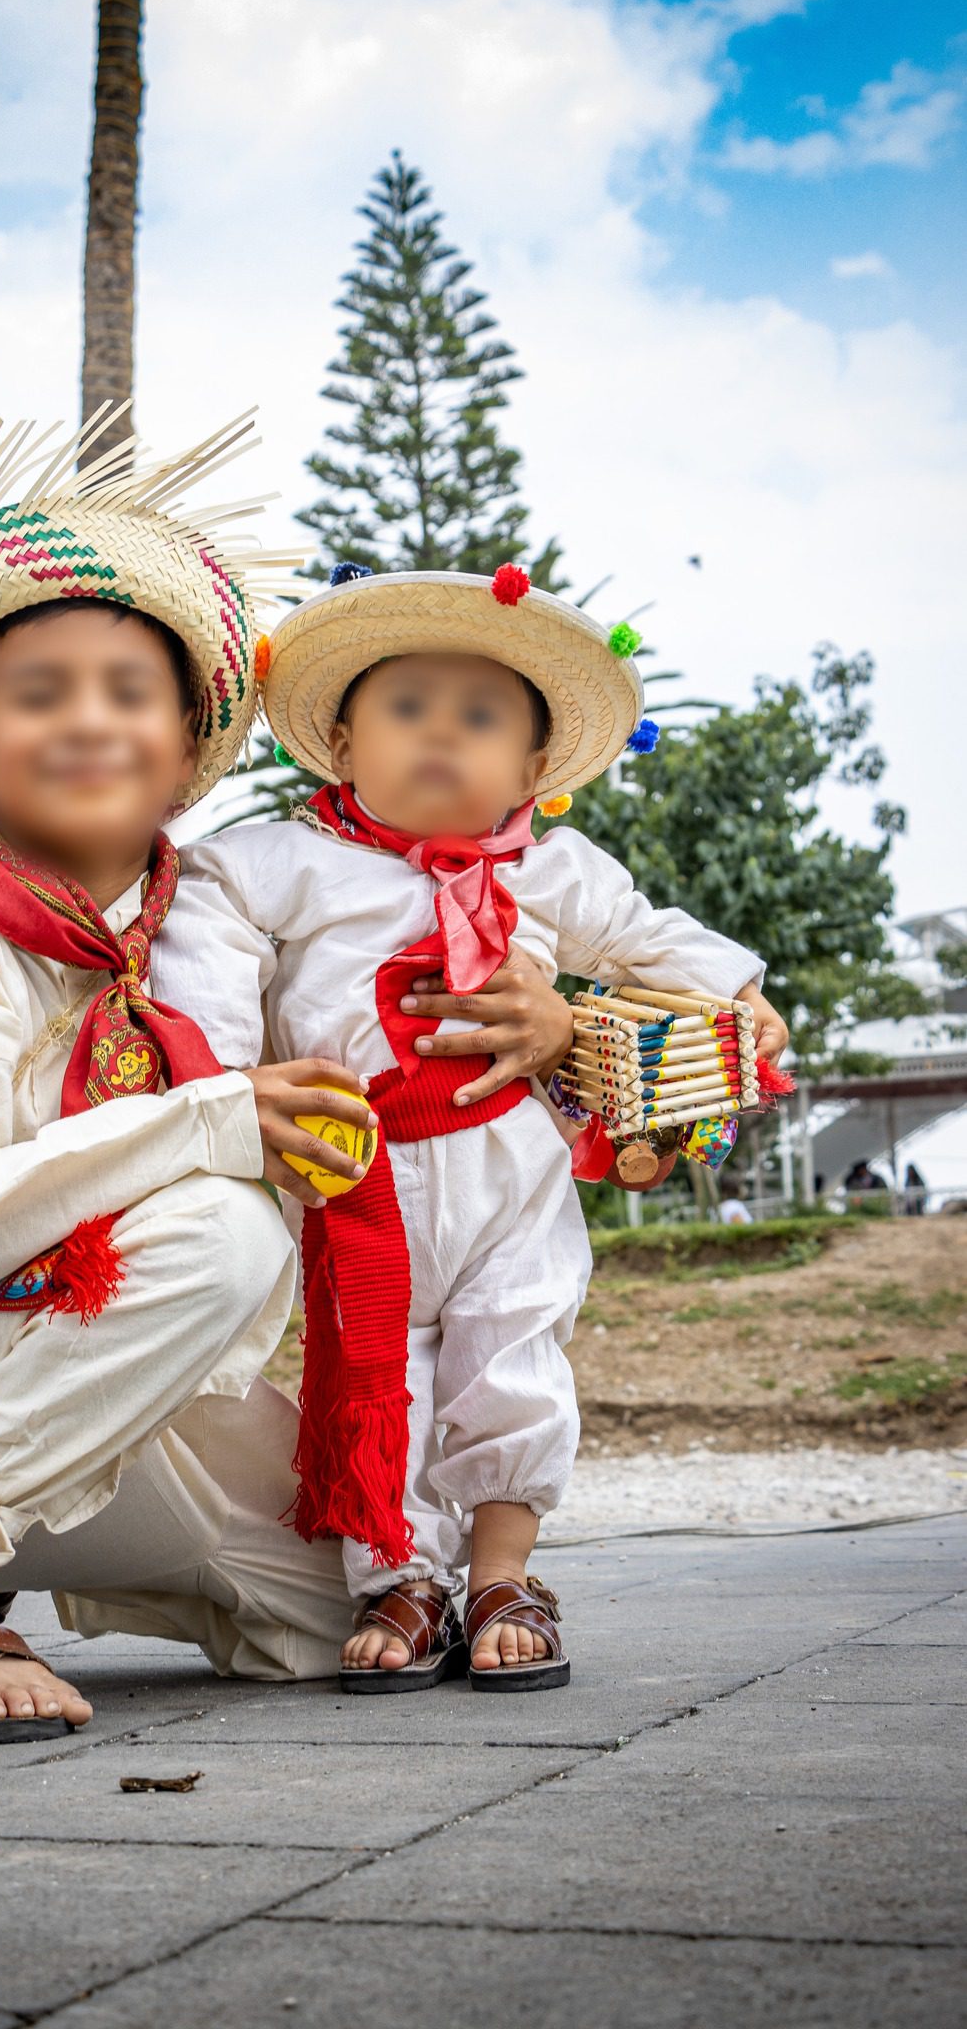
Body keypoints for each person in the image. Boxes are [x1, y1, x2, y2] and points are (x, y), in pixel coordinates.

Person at [0, 415, 412, 1742]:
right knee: (224, 1226)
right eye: (39, 692)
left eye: (128, 693)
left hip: (112, 1386)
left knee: (334, 1622)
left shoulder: (195, 944)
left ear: (183, 754)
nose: (88, 721)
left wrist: (528, 1030)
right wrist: (215, 1119)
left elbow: (391, 1062)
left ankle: (35, 1555)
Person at [160, 563, 788, 1694]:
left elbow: (649, 940)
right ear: (343, 745)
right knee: (373, 1370)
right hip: (353, 1167)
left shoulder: (554, 869)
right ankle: (398, 1572)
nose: (442, 733)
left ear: (534, 771)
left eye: (482, 716)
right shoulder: (273, 860)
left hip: (510, 1164)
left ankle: (503, 1572)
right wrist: (226, 1078)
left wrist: (739, 996)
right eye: (408, 709)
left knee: (514, 1348)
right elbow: (203, 967)